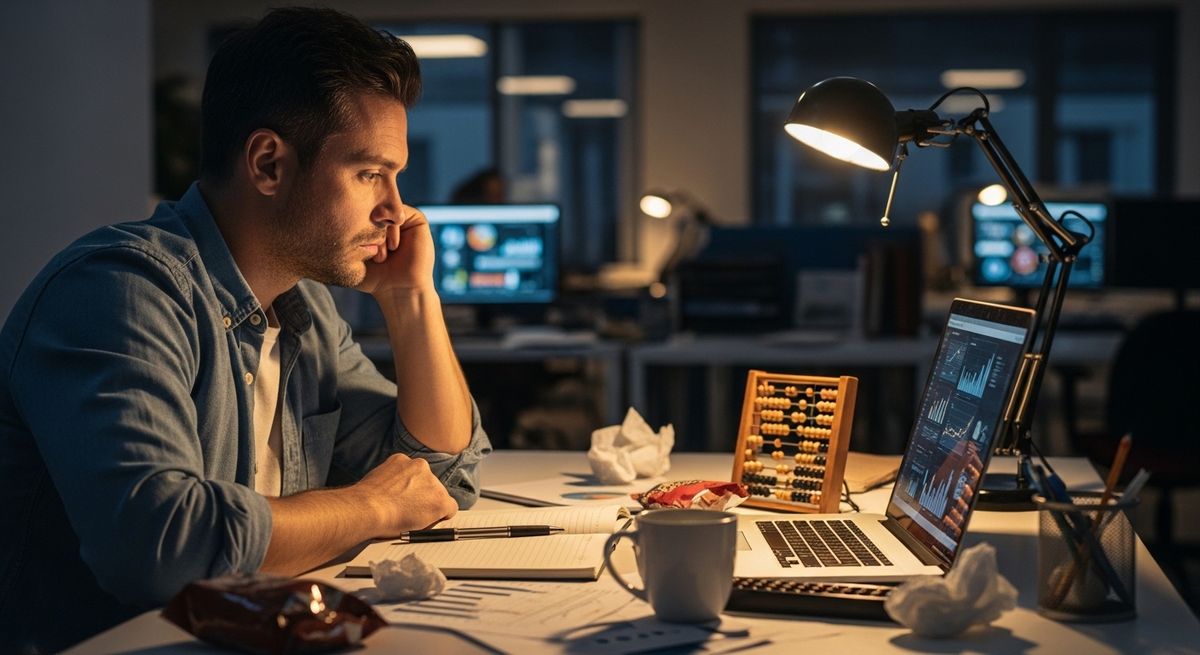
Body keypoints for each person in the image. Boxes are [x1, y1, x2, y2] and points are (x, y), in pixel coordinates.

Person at [0, 8, 491, 652]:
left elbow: (438, 476)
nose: (396, 210)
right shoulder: (119, 290)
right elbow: (160, 548)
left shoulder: (305, 310)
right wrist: (373, 506)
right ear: (267, 164)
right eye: (370, 173)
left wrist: (411, 298)